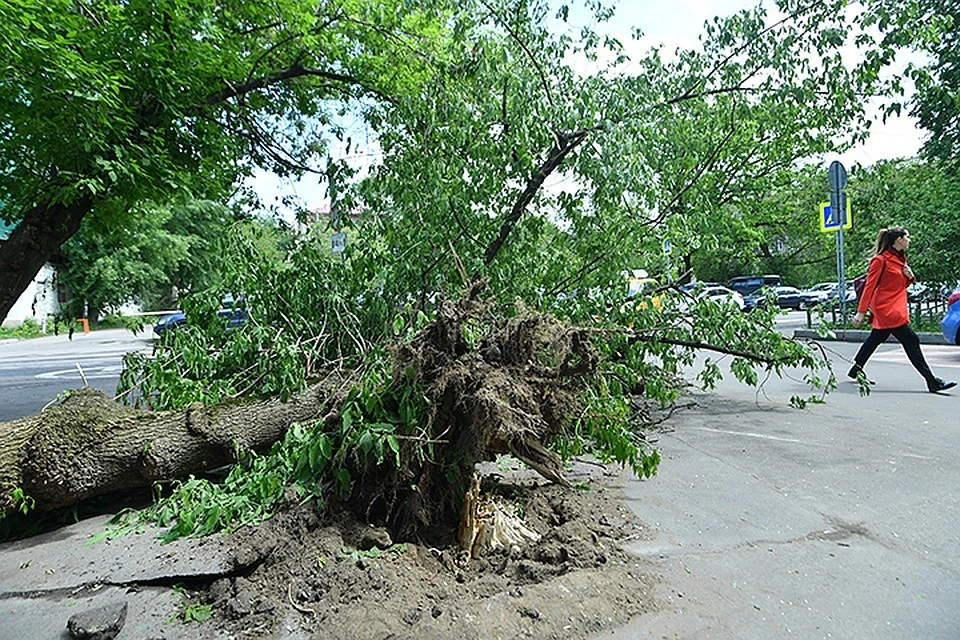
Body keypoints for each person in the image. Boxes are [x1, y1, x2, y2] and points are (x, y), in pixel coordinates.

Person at [849, 226, 956, 393]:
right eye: (907, 237)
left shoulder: (900, 258)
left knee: (876, 338)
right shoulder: (880, 260)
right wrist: (861, 312)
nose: (909, 240)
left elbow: (899, 284)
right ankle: (932, 381)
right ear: (898, 239)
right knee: (911, 340)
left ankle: (855, 369)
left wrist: (910, 277)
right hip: (886, 308)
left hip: (895, 306)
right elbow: (869, 287)